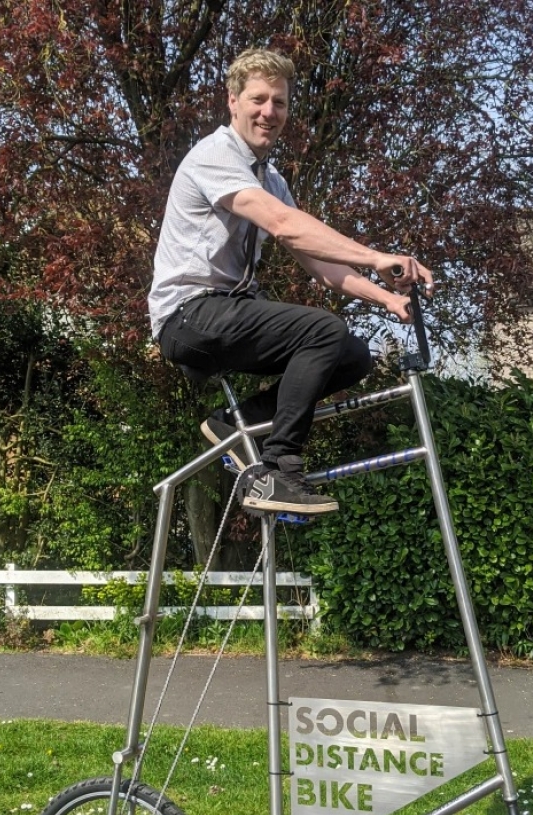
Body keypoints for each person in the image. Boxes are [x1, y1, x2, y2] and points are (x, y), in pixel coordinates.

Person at [148, 48, 433, 516]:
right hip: (188, 316)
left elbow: (321, 265)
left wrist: (386, 297)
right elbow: (282, 224)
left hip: (229, 311)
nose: (269, 112)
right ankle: (278, 470)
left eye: (279, 103)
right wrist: (377, 256)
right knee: (322, 330)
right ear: (233, 102)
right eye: (258, 99)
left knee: (351, 355)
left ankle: (236, 426)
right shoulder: (214, 155)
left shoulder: (271, 179)